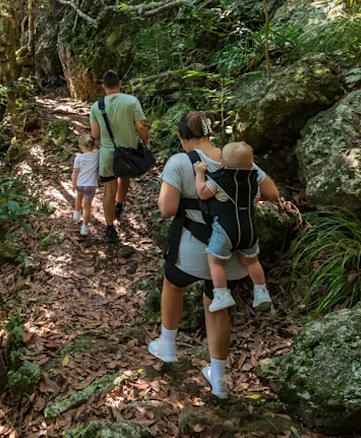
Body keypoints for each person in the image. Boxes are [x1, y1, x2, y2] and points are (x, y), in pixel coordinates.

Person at [147, 112, 279, 400]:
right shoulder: (239, 160)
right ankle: (218, 378)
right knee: (217, 307)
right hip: (232, 251)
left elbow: (167, 209)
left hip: (192, 249)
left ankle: (167, 343)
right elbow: (271, 192)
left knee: (173, 283)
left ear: (184, 138)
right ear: (210, 133)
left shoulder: (181, 162)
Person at [195, 141, 272, 312]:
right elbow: (257, 198)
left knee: (215, 261)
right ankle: (261, 291)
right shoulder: (253, 181)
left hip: (225, 231)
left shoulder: (220, 180)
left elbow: (202, 193)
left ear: (221, 162)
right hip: (249, 231)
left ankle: (222, 293)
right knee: (251, 261)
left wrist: (199, 173)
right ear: (251, 164)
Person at [89, 70, 149, 243]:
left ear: (103, 87)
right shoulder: (132, 101)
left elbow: (95, 134)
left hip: (108, 154)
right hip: (128, 153)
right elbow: (141, 126)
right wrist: (147, 143)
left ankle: (109, 228)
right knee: (125, 177)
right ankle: (119, 207)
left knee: (108, 190)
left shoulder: (96, 106)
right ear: (120, 84)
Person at [71, 134, 99, 237]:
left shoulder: (79, 158)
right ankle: (84, 228)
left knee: (78, 196)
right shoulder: (97, 155)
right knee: (87, 207)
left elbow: (75, 172)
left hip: (80, 184)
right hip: (91, 185)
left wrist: (73, 183)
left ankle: (76, 214)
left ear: (81, 146)